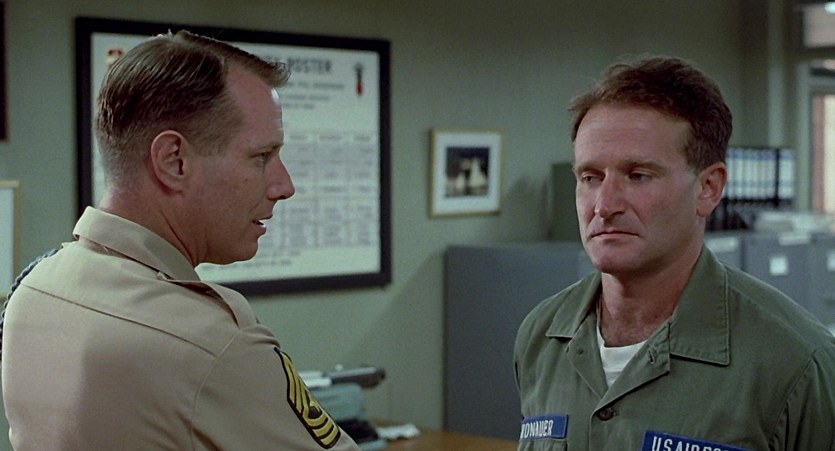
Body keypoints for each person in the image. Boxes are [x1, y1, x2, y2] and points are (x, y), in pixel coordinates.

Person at [1, 31, 360, 450]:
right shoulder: (212, 344)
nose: (285, 186)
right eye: (261, 156)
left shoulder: (35, 290)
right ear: (174, 161)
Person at [514, 56, 835, 450]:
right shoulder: (541, 336)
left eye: (638, 175)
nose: (604, 205)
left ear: (708, 188)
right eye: (590, 177)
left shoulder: (796, 362)